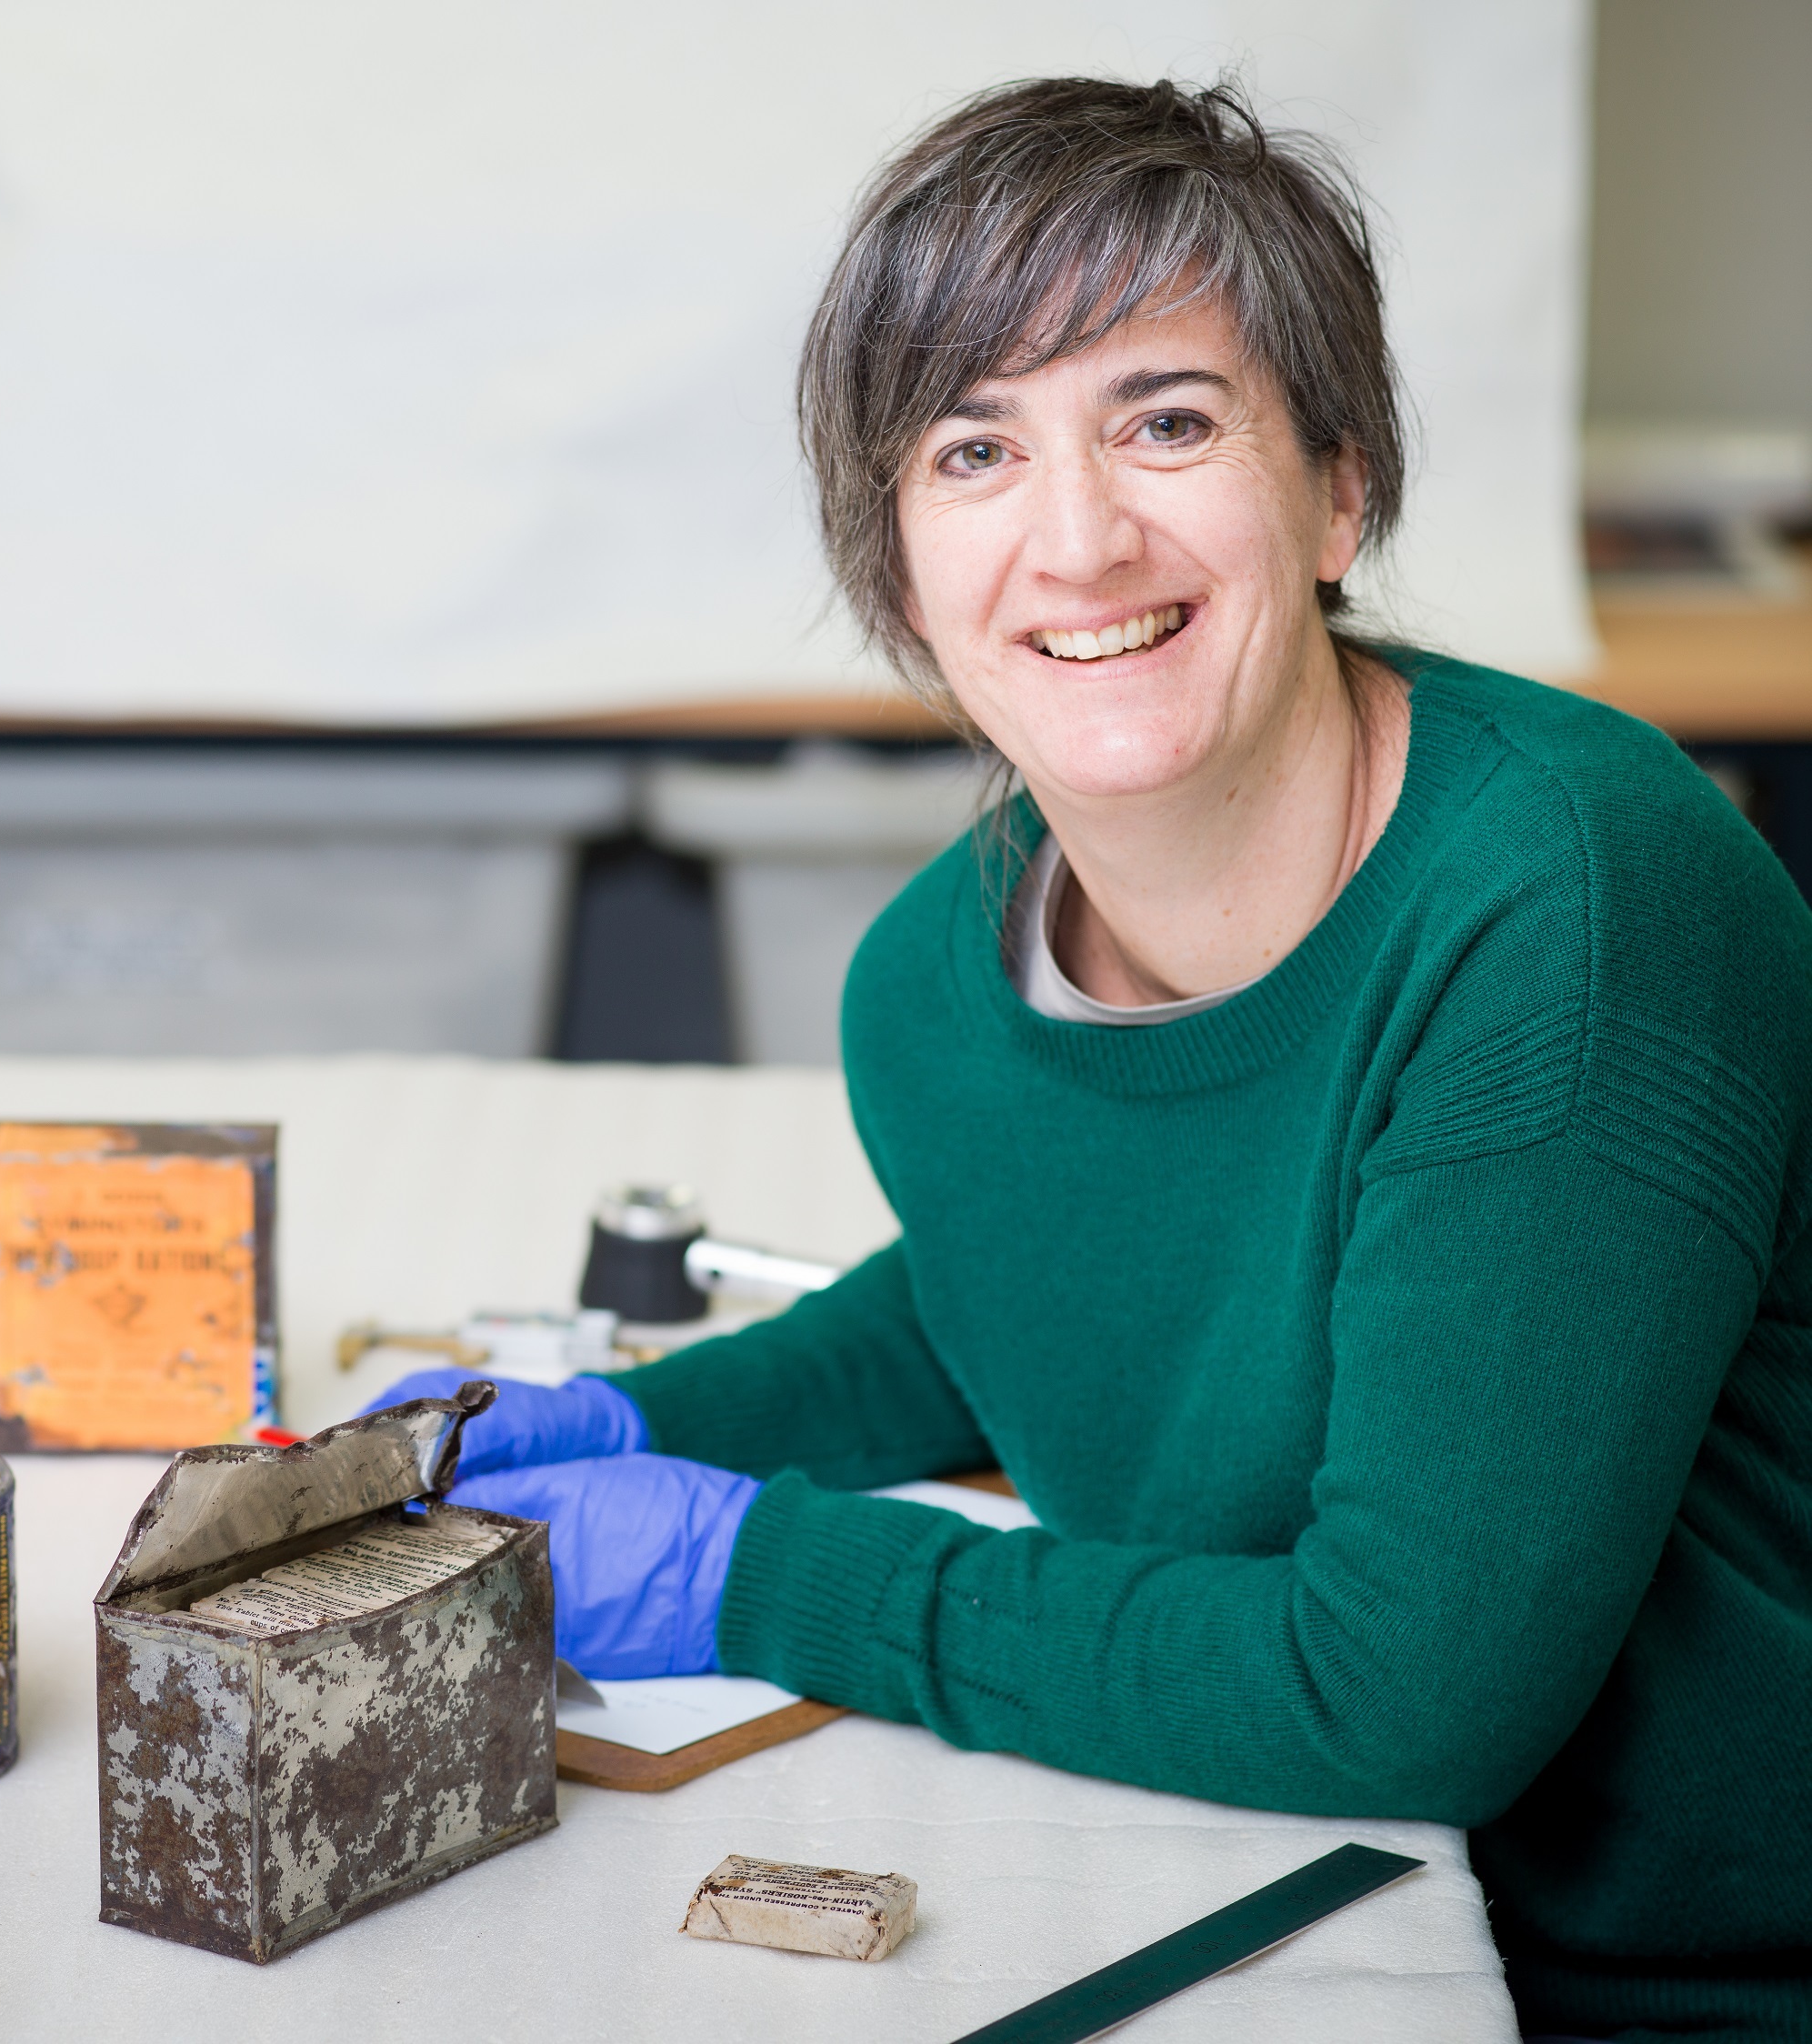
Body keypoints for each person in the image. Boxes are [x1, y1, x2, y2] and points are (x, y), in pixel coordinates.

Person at [375, 79, 1810, 2043]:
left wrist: (763, 1568)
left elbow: (1403, 1695)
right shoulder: (931, 987)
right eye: (977, 446)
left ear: (1338, 490)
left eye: (1167, 418)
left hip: (1680, 1978)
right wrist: (656, 1426)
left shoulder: (1575, 908)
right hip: (1324, 1895)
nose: (1079, 535)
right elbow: (1034, 1282)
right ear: (896, 566)